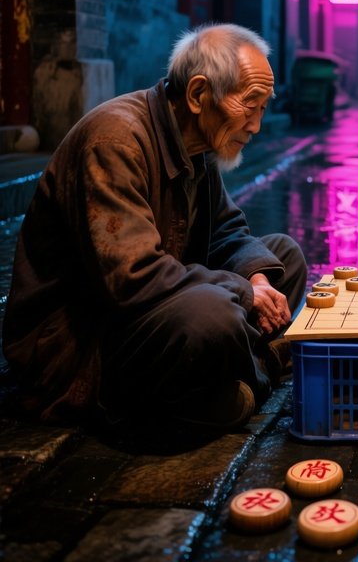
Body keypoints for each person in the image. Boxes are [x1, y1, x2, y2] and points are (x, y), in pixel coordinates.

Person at [3, 24, 307, 434]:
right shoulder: (114, 142)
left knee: (281, 256)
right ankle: (254, 368)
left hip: (153, 309)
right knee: (212, 315)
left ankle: (244, 370)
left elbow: (226, 230)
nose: (255, 125)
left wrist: (254, 277)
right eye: (249, 105)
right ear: (199, 95)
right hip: (80, 347)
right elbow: (133, 278)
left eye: (263, 108)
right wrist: (242, 292)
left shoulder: (197, 145)